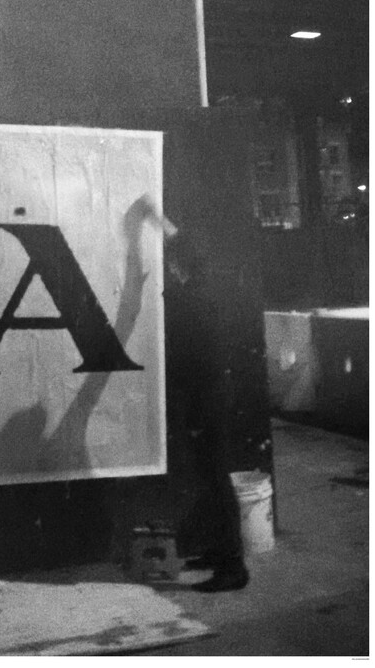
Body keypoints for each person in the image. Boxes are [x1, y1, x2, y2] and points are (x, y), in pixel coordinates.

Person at [164, 232, 249, 592]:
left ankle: (232, 567)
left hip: (205, 400)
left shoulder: (190, 299)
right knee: (213, 479)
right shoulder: (208, 290)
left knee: (215, 481)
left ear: (176, 264)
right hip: (214, 396)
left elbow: (193, 360)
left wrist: (194, 412)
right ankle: (220, 552)